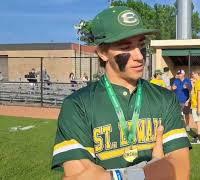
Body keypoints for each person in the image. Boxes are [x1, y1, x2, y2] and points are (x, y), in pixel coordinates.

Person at [52, 6, 190, 180]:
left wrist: (110, 176)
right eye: (126, 47)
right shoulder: (78, 105)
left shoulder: (165, 98)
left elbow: (180, 171)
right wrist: (149, 171)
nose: (139, 56)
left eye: (141, 45)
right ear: (102, 53)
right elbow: (78, 176)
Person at [190, 70, 200, 144]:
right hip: (196, 105)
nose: (192, 75)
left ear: (197, 74)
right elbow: (194, 93)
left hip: (197, 105)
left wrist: (199, 108)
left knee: (198, 122)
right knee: (198, 122)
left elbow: (199, 95)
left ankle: (199, 139)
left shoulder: (199, 82)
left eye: (193, 74)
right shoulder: (199, 82)